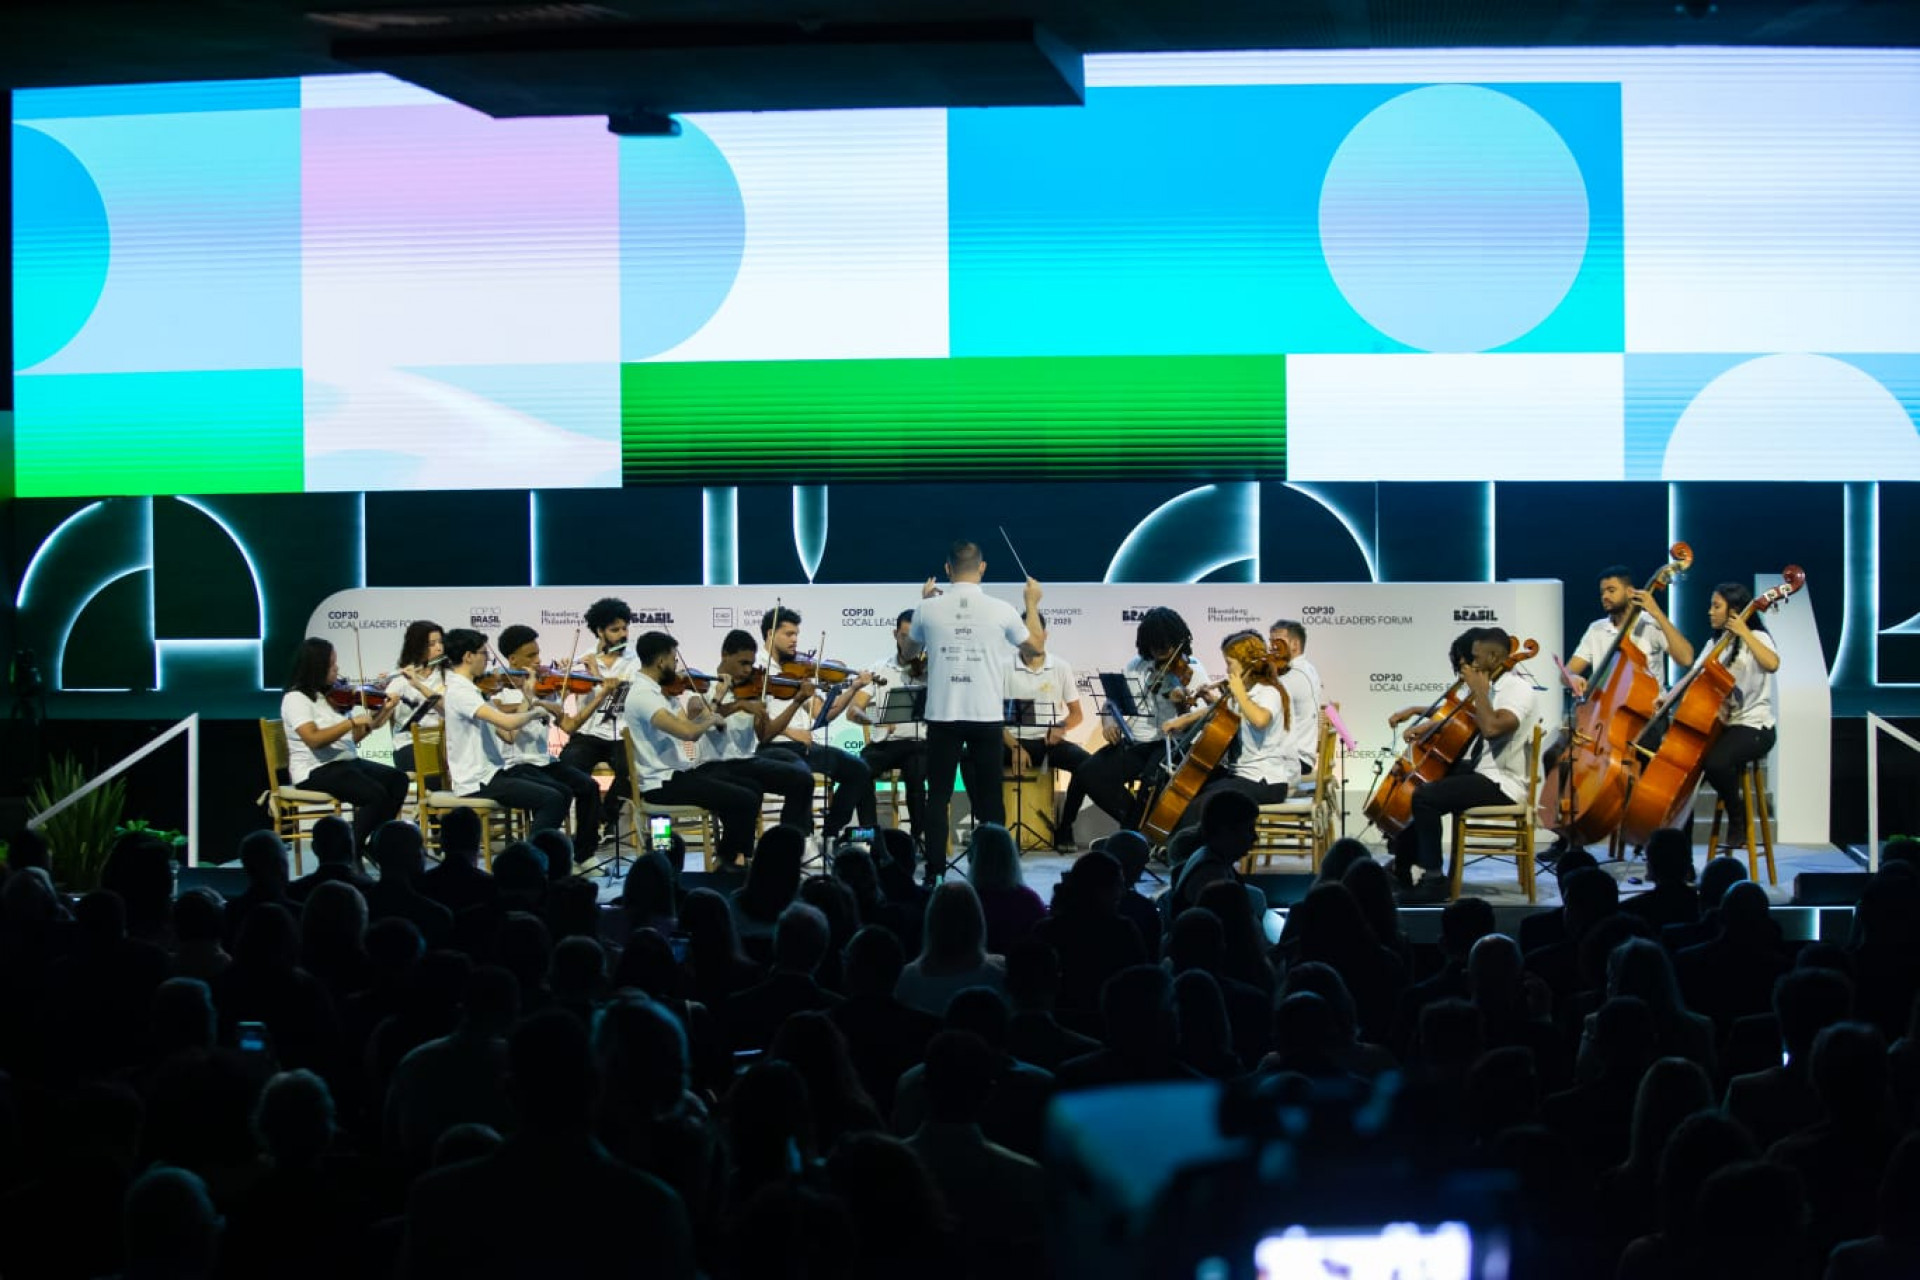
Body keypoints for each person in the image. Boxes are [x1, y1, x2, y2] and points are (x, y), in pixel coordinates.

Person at [909, 541, 1045, 882]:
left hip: (943, 716)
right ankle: (998, 876)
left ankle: (934, 876)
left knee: (937, 797)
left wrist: (925, 605)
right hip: (986, 717)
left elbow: (910, 650)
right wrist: (1031, 603)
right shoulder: (1001, 609)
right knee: (991, 801)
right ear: (982, 568)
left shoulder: (928, 608)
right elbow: (1037, 646)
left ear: (947, 569)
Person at [1385, 627, 1542, 901]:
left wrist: (1479, 691)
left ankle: (1434, 881)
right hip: (1486, 772)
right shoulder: (1496, 687)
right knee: (1421, 779)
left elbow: (1492, 728)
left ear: (1493, 657)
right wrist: (1431, 725)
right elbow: (1472, 721)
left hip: (1504, 782)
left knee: (1425, 797)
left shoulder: (1517, 690)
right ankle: (1402, 865)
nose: (1470, 664)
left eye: (1475, 657)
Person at [1056, 606, 1210, 847]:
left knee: (1151, 780)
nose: (1161, 652)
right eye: (1154, 646)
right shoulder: (1136, 666)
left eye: (1166, 645)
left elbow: (1201, 716)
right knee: (1089, 772)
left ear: (1177, 641)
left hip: (1171, 744)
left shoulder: (1193, 670)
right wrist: (1108, 721)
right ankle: (1136, 828)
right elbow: (1111, 703)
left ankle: (1134, 835)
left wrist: (1182, 707)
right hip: (1137, 741)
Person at [621, 630, 762, 868]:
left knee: (750, 787)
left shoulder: (660, 693)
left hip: (678, 774)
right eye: (674, 659)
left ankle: (731, 857)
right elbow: (688, 733)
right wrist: (713, 715)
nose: (677, 666)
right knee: (744, 798)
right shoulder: (644, 696)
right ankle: (729, 861)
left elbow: (691, 729)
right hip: (660, 784)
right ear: (661, 661)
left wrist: (716, 698)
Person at [1169, 630, 1318, 834]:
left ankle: (1188, 852)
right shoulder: (1248, 694)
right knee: (1196, 789)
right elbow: (1220, 709)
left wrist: (1238, 692)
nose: (1227, 669)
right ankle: (1180, 847)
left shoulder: (1269, 692)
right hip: (1245, 775)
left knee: (1204, 805)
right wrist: (1184, 719)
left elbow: (1260, 719)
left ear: (1247, 664)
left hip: (1266, 782)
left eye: (1230, 663)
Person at [1672, 581, 1781, 852]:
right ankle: (1680, 859)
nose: (1710, 611)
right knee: (1682, 784)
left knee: (1717, 762)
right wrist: (1667, 698)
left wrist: (1744, 631)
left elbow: (1772, 664)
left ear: (1734, 611)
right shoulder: (1715, 644)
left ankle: (1738, 819)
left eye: (1716, 606)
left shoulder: (1758, 638)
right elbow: (1692, 676)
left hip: (1755, 727)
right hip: (1725, 725)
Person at [493, 623, 618, 860]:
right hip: (516, 765)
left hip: (543, 762)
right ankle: (533, 858)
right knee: (557, 795)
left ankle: (584, 855)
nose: (538, 660)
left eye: (538, 653)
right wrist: (533, 700)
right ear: (512, 659)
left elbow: (571, 726)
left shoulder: (545, 686)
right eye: (531, 656)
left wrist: (599, 696)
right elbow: (509, 730)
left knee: (588, 786)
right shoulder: (498, 693)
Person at [757, 605, 878, 844]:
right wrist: (791, 732)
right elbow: (754, 719)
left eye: (797, 635)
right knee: (803, 778)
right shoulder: (757, 669)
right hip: (773, 748)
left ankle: (831, 833)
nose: (795, 640)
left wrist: (852, 688)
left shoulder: (797, 670)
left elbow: (824, 713)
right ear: (771, 634)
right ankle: (795, 842)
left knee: (860, 770)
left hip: (805, 747)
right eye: (789, 634)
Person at [281, 637, 409, 853]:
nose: (337, 669)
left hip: (344, 763)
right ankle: (352, 850)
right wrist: (350, 722)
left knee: (398, 780)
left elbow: (356, 736)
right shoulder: (296, 699)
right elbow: (313, 739)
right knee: (374, 795)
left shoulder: (332, 698)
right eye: (332, 664)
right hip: (314, 770)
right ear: (317, 667)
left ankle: (373, 841)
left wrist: (383, 711)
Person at [439, 629, 573, 835]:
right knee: (552, 798)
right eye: (484, 654)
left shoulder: (474, 690)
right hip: (477, 780)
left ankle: (540, 854)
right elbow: (507, 723)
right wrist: (537, 711)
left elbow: (508, 736)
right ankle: (532, 859)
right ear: (468, 656)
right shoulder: (460, 692)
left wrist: (527, 696)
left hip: (492, 773)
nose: (488, 660)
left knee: (563, 791)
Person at [694, 628, 817, 832]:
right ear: (725, 655)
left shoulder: (752, 690)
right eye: (743, 663)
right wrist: (737, 706)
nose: (747, 670)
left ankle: (789, 841)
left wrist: (797, 701)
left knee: (802, 779)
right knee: (749, 791)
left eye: (751, 664)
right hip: (714, 765)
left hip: (746, 761)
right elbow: (699, 715)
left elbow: (766, 734)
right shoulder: (707, 687)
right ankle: (738, 855)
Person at [554, 597, 639, 849]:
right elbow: (559, 699)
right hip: (589, 734)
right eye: (615, 630)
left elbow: (627, 695)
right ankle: (584, 843)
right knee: (570, 766)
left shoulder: (636, 660)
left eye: (625, 628)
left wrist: (598, 677)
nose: (622, 634)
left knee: (632, 768)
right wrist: (563, 676)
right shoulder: (583, 659)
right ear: (600, 631)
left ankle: (605, 815)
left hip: (623, 732)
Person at [1001, 617, 1088, 844]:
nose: (1030, 639)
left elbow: (1077, 714)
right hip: (1010, 740)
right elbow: (992, 718)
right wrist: (1014, 746)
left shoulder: (1060, 667)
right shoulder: (1002, 667)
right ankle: (991, 827)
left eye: (1035, 633)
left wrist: (1061, 727)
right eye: (1024, 634)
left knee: (1086, 765)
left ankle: (1065, 825)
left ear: (1045, 635)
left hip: (1046, 743)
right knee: (970, 758)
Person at [853, 609, 933, 840]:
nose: (910, 643)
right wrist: (875, 720)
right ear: (895, 634)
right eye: (904, 636)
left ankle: (919, 838)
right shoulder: (880, 668)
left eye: (915, 638)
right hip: (886, 744)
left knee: (916, 773)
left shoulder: (931, 669)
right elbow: (854, 710)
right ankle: (870, 836)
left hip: (919, 742)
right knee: (860, 770)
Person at [1565, 564, 1695, 697]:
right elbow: (1566, 673)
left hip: (1648, 713)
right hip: (1605, 713)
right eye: (1602, 592)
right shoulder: (1596, 629)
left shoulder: (1650, 623)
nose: (1605, 596)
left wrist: (1657, 613)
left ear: (1630, 592)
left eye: (1611, 590)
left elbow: (1686, 659)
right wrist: (1572, 679)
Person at [384, 619, 446, 777]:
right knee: (435, 766)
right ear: (417, 647)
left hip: (445, 743)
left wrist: (418, 685)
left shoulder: (449, 677)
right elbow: (378, 721)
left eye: (440, 642)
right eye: (432, 644)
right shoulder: (399, 681)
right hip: (409, 745)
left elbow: (448, 708)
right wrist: (381, 700)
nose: (439, 648)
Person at [1268, 618, 1323, 717]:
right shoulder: (1309, 668)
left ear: (1295, 644)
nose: (1271, 647)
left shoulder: (1292, 676)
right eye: (1271, 642)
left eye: (1277, 642)